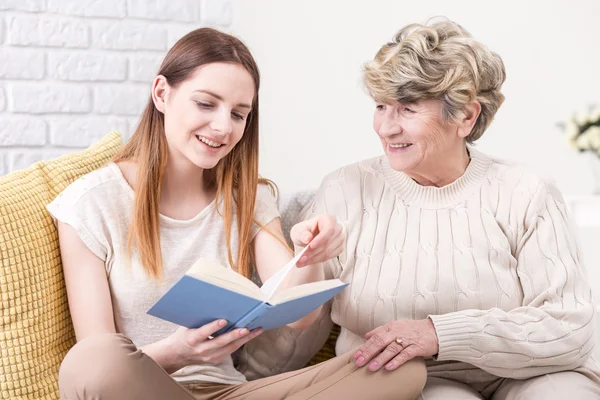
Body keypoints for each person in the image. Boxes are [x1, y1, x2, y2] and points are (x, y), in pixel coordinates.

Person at [48, 28, 426, 400]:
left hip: (230, 391)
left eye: (238, 114)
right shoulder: (90, 203)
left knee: (401, 367)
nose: (222, 127)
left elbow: (298, 315)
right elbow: (98, 358)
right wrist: (178, 352)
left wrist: (308, 253)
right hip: (146, 388)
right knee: (88, 365)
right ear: (162, 93)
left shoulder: (248, 196)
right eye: (206, 104)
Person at [241, 19, 600, 399]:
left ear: (466, 116)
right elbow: (302, 324)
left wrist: (438, 333)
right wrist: (241, 384)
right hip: (415, 378)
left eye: (408, 109)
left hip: (536, 373)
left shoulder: (527, 191)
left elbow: (570, 326)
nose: (386, 127)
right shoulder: (346, 190)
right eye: (381, 106)